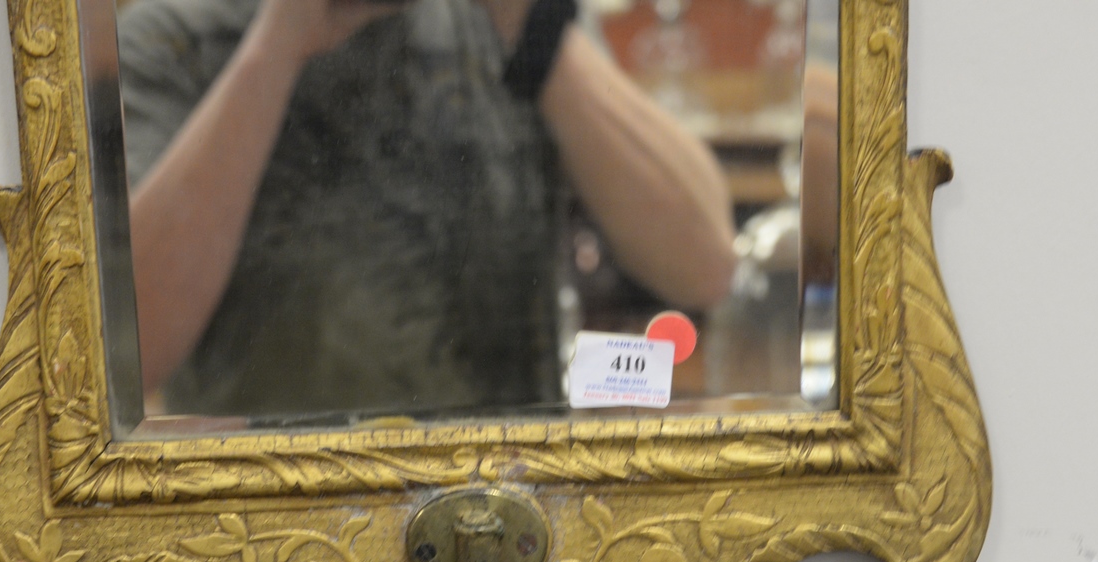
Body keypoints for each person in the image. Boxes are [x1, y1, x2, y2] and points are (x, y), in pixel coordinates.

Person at [120, 0, 737, 419]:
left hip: (510, 512)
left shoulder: (508, 20)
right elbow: (126, 355)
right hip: (279, 526)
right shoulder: (175, 35)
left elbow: (704, 264)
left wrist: (534, 30)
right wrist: (278, 41)